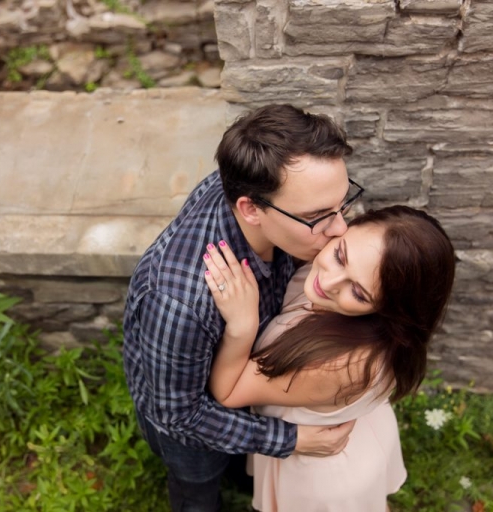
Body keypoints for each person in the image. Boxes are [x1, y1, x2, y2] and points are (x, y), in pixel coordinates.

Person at [122, 104, 363, 511]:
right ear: (250, 209)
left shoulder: (259, 189)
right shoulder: (180, 301)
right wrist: (293, 440)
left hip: (242, 385)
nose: (340, 229)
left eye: (342, 204)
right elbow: (180, 417)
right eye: (318, 217)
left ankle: (240, 467)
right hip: (193, 427)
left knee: (237, 463)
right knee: (198, 488)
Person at [201, 205, 456, 512]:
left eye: (359, 294)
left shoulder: (336, 366)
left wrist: (242, 327)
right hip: (354, 429)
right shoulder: (340, 283)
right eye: (340, 256)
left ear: (389, 311)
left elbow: (228, 392)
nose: (330, 282)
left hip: (323, 479)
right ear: (345, 226)